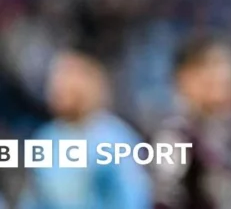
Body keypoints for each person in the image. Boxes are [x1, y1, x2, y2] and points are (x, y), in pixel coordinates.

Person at [19, 50, 151, 209]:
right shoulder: (46, 138)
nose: (60, 85)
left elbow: (133, 198)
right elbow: (34, 199)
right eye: (56, 79)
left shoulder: (114, 138)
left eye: (70, 76)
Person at [151, 35, 231, 209]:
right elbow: (162, 198)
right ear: (186, 78)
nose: (228, 84)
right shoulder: (175, 137)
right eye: (214, 77)